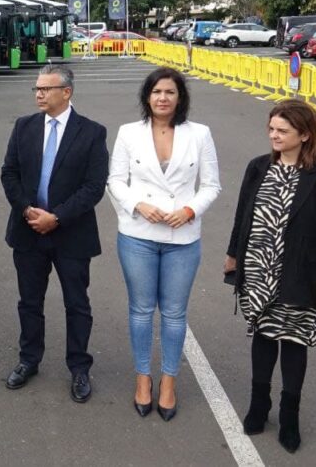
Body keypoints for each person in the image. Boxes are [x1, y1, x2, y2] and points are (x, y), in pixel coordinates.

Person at [225, 99, 316, 453]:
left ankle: (290, 415)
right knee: (262, 335)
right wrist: (233, 255)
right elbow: (242, 215)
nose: (274, 136)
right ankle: (258, 405)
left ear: (305, 135)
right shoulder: (258, 167)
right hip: (258, 269)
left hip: (300, 273)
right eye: (271, 129)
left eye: (283, 131)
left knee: (293, 342)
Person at [107, 67, 221, 421]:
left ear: (180, 98)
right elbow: (115, 180)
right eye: (156, 92)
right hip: (138, 234)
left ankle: (168, 382)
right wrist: (138, 205)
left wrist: (189, 210)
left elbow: (211, 185)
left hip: (183, 238)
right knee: (141, 311)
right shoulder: (128, 133)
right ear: (147, 97)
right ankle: (143, 379)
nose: (162, 98)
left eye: (170, 92)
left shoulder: (199, 134)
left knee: (174, 314)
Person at [0, 65, 108, 402]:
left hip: (71, 234)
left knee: (77, 304)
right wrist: (26, 209)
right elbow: (9, 173)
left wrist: (57, 217)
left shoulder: (92, 132)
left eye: (46, 89)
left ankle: (79, 368)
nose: (39, 94)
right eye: (36, 89)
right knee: (29, 302)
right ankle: (28, 360)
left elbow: (93, 187)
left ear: (67, 92)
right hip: (29, 230)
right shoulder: (24, 127)